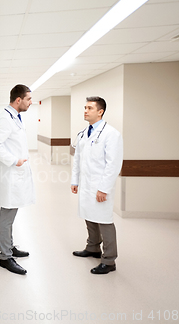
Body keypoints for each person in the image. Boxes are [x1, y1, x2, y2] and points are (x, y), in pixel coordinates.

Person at [71, 96, 123, 275]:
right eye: (85, 107)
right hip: (86, 184)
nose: (85, 111)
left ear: (100, 111)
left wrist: (104, 188)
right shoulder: (84, 133)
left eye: (90, 108)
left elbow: (113, 164)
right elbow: (77, 159)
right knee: (89, 216)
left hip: (100, 186)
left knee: (104, 221)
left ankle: (109, 260)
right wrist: (74, 180)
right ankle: (93, 247)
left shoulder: (111, 134)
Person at [0, 84, 35, 275]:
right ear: (18, 100)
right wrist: (14, 161)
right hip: (12, 175)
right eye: (29, 99)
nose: (31, 102)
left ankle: (10, 247)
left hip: (17, 175)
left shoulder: (14, 117)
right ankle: (5, 257)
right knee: (7, 216)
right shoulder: (5, 119)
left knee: (11, 213)